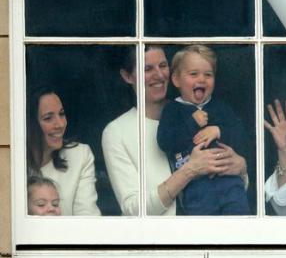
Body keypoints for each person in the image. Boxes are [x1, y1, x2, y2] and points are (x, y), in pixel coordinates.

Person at [102, 45, 248, 216]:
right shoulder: (117, 132)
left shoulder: (201, 110)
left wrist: (242, 168)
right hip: (162, 238)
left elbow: (239, 182)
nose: (159, 75)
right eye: (147, 68)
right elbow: (133, 209)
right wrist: (190, 170)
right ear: (127, 76)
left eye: (163, 66)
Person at [157, 45, 250, 215]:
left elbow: (241, 136)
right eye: (193, 74)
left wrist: (219, 130)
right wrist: (191, 123)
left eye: (208, 74)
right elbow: (165, 141)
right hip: (196, 186)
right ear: (176, 80)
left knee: (240, 228)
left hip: (230, 181)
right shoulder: (173, 110)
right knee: (202, 233)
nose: (201, 79)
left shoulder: (221, 108)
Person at [27, 87, 101, 216]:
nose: (60, 124)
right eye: (48, 118)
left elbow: (88, 220)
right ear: (29, 124)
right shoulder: (12, 162)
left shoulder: (80, 155)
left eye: (61, 114)